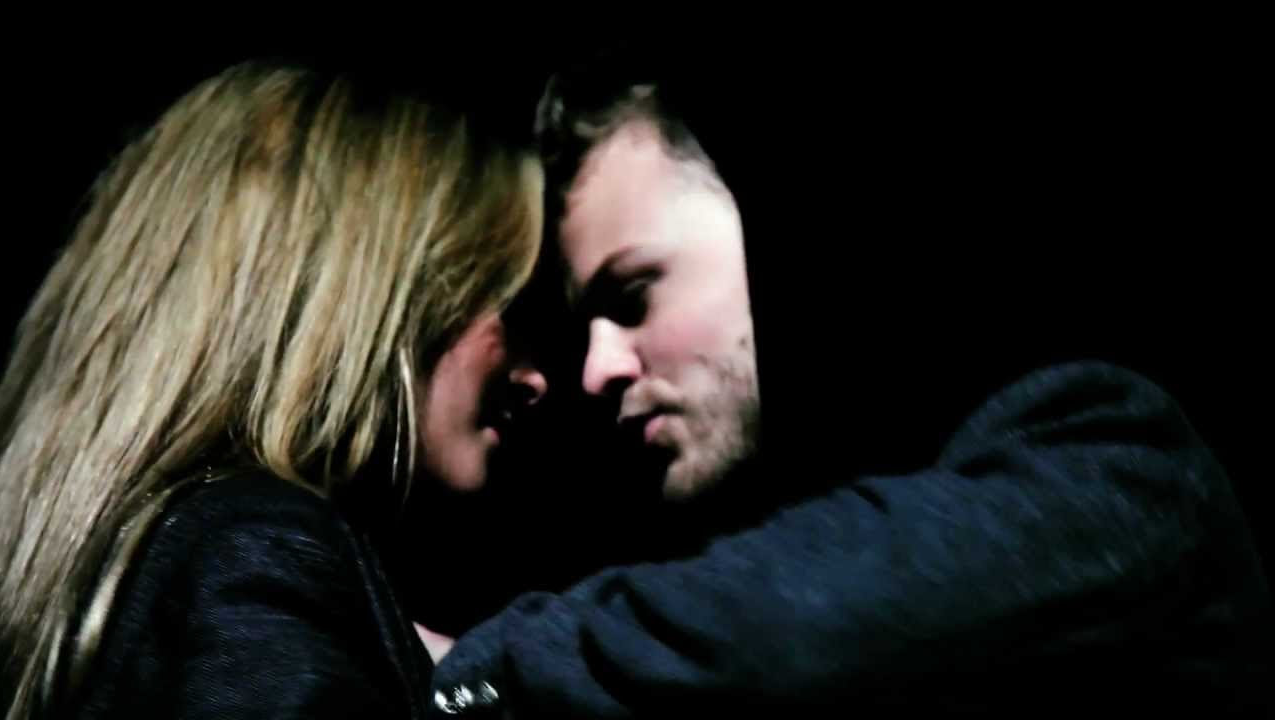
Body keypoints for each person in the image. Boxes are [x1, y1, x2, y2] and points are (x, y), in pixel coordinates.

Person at [426, 49, 1273, 716]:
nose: (596, 368)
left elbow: (793, 626)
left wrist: (469, 672)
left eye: (634, 295)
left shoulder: (1119, 464)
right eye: (588, 325)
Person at [0, 61, 547, 718]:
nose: (534, 378)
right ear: (384, 297)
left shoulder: (152, 562)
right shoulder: (259, 549)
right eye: (510, 308)